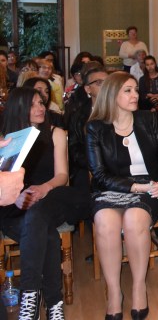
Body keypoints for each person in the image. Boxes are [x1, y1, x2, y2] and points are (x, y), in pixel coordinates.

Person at [86, 72, 158, 320]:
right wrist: (136, 188)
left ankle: (138, 287)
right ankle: (114, 293)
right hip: (111, 189)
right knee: (105, 223)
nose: (135, 94)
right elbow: (99, 175)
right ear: (112, 95)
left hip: (150, 186)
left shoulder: (148, 119)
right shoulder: (96, 127)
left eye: (135, 89)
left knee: (134, 220)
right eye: (128, 90)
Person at [0, 87, 90, 320]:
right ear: (18, 108)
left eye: (41, 102)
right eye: (32, 104)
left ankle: (29, 296)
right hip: (16, 206)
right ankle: (54, 303)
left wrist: (43, 189)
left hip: (52, 197)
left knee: (38, 213)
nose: (40, 108)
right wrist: (16, 196)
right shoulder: (6, 139)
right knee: (44, 231)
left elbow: (62, 176)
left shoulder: (55, 133)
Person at [66, 63, 107, 191]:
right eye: (99, 83)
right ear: (88, 89)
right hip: (87, 166)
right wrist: (94, 163)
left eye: (108, 83)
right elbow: (74, 148)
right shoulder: (79, 115)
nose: (105, 87)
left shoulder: (120, 111)